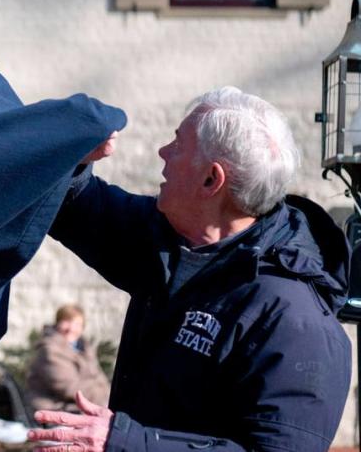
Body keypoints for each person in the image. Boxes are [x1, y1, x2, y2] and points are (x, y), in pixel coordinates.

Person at [27, 87, 351, 452]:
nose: (162, 153)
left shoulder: (295, 319)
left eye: (177, 145)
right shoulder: (172, 240)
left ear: (212, 181)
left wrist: (126, 442)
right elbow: (81, 206)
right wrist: (71, 157)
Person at [24, 304, 110, 414]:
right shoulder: (50, 350)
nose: (71, 328)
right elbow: (70, 388)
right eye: (67, 322)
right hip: (54, 409)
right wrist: (105, 399)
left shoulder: (84, 348)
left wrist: (109, 395)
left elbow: (98, 376)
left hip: (78, 406)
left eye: (77, 324)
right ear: (57, 323)